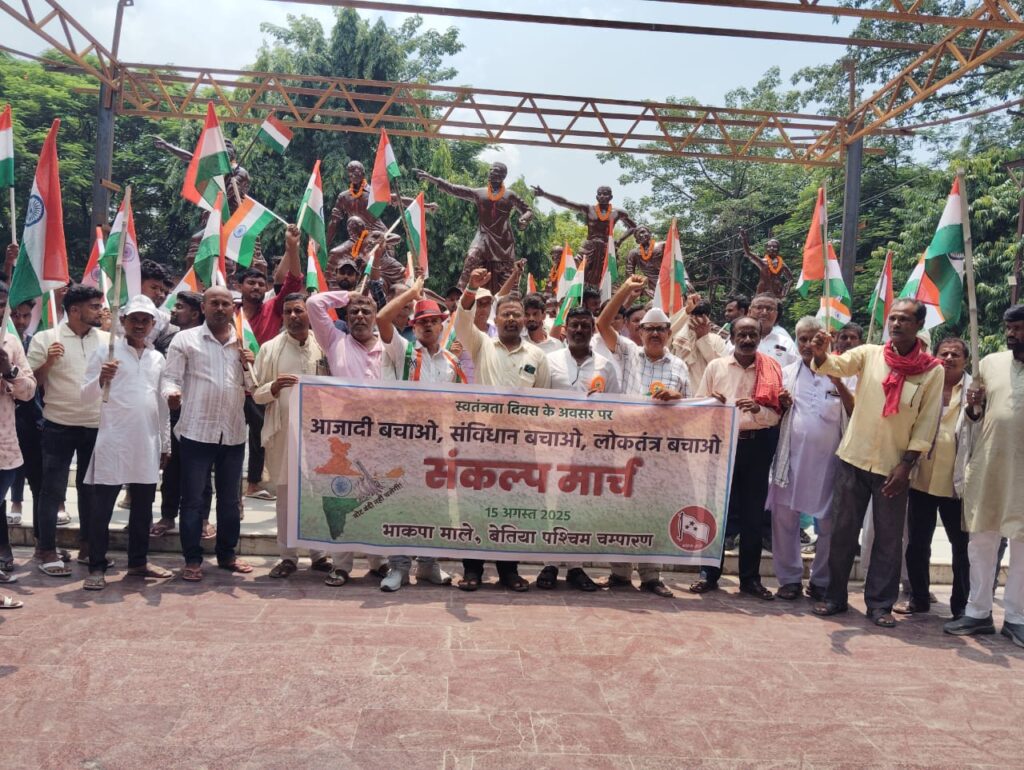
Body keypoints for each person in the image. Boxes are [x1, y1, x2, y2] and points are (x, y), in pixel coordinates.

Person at [809, 298, 943, 628]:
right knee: (842, 533)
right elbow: (835, 366)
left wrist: (906, 465)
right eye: (892, 318)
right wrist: (821, 353)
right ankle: (835, 597)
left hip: (893, 467)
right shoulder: (869, 354)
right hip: (853, 458)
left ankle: (880, 604)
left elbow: (927, 422)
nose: (896, 324)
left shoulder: (932, 370)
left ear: (919, 325)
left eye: (904, 319)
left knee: (888, 538)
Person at [454, 267, 550, 592]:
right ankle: (472, 570)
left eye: (516, 314)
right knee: (475, 505)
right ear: (496, 318)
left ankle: (509, 570)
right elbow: (461, 322)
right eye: (505, 314)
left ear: (525, 320)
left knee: (513, 506)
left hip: (520, 447)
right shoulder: (481, 345)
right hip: (481, 443)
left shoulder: (537, 356)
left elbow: (543, 402)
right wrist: (471, 288)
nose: (511, 319)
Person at [596, 274, 688, 598]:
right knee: (623, 510)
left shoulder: (679, 366)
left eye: (661, 329)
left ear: (669, 333)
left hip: (661, 453)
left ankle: (651, 575)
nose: (655, 334)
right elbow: (602, 323)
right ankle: (620, 573)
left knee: (653, 511)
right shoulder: (628, 353)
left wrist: (677, 398)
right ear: (640, 331)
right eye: (649, 328)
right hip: (626, 448)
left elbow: (692, 411)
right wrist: (624, 291)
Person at [374, 281, 466, 591]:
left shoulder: (452, 362)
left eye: (433, 321)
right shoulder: (404, 351)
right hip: (404, 443)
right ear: (414, 326)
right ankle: (399, 566)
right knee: (400, 502)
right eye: (422, 321)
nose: (428, 325)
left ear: (442, 325)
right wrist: (412, 295)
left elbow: (461, 405)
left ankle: (428, 564)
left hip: (439, 446)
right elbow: (381, 319)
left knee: (434, 506)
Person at [162, 286, 257, 582]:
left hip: (232, 433)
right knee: (192, 500)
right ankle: (192, 559)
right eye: (214, 303)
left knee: (230, 501)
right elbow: (170, 378)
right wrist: (172, 395)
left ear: (233, 309)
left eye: (225, 304)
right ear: (203, 308)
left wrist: (250, 364)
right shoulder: (185, 339)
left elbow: (253, 387)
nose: (220, 308)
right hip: (196, 430)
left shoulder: (242, 341)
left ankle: (227, 554)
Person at [80, 296, 173, 590]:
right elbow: (84, 396)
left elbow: (161, 405)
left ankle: (138, 562)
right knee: (102, 509)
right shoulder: (106, 352)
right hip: (113, 440)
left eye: (145, 320)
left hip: (146, 441)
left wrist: (165, 443)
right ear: (123, 321)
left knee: (143, 508)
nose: (139, 325)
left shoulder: (157, 358)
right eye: (134, 319)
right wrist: (101, 378)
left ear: (153, 324)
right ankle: (96, 566)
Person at [944, 305, 1024, 646]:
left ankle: (1017, 617)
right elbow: (975, 417)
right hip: (989, 465)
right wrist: (973, 405)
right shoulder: (990, 363)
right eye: (1009, 328)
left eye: (1018, 328)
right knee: (981, 542)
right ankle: (978, 612)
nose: (1011, 334)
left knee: (1022, 545)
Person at [691, 316, 783, 600]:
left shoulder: (771, 368)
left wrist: (757, 409)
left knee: (753, 515)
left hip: (757, 446)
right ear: (731, 337)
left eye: (752, 334)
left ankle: (750, 579)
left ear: (760, 337)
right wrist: (712, 404)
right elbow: (697, 407)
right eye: (741, 334)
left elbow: (776, 416)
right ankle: (708, 574)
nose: (747, 339)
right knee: (716, 511)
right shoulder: (716, 367)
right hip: (722, 446)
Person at [306, 285, 390, 587]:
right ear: (345, 316)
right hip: (343, 438)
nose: (359, 316)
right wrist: (349, 294)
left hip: (380, 436)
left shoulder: (389, 348)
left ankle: (379, 561)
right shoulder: (334, 341)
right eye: (353, 311)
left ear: (375, 315)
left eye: (366, 310)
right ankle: (341, 565)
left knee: (376, 498)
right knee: (340, 499)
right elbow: (314, 303)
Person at [27, 285, 109, 577]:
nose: (100, 311)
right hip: (57, 425)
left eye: (100, 306)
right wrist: (48, 362)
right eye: (94, 306)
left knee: (92, 491)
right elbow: (30, 385)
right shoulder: (46, 338)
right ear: (74, 310)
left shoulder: (108, 340)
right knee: (52, 490)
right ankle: (46, 549)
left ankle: (88, 548)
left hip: (97, 425)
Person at [537, 305, 619, 592]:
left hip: (589, 450)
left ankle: (575, 566)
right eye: (575, 325)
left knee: (579, 507)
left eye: (585, 325)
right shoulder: (549, 361)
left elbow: (617, 408)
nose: (580, 330)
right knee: (552, 506)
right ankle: (549, 564)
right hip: (554, 446)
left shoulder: (606, 366)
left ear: (593, 329)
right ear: (565, 329)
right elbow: (538, 402)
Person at [253, 292, 333, 579]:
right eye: (287, 312)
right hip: (284, 434)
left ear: (309, 314)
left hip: (320, 436)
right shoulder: (270, 349)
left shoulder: (325, 345)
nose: (293, 316)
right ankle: (287, 557)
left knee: (316, 495)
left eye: (298, 311)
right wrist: (273, 388)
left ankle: (319, 554)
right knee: (286, 496)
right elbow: (256, 393)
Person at [766, 317, 846, 601]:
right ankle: (789, 579)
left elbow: (853, 412)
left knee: (829, 523)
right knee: (784, 520)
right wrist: (779, 404)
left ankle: (821, 581)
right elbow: (772, 415)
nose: (808, 345)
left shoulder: (843, 374)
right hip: (789, 460)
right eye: (802, 339)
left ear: (826, 341)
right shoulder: (784, 373)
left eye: (814, 339)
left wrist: (839, 383)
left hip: (830, 464)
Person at [894, 337, 971, 619]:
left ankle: (961, 605)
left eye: (955, 354)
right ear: (935, 357)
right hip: (922, 478)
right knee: (917, 544)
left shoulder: (976, 390)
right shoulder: (926, 384)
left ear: (966, 360)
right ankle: (919, 597)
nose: (949, 358)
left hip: (956, 484)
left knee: (962, 547)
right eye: (944, 353)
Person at [238, 225, 304, 501]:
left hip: (258, 385)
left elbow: (294, 282)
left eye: (260, 284)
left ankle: (254, 484)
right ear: (239, 287)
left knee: (258, 436)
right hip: (229, 384)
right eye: (250, 283)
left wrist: (292, 248)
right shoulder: (228, 311)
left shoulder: (273, 309)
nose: (256, 287)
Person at [415, 163, 535, 294]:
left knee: (507, 280)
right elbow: (455, 189)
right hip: (483, 236)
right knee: (472, 257)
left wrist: (524, 219)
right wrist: (432, 179)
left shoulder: (510, 195)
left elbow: (528, 210)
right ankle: (459, 295)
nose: (491, 173)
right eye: (490, 170)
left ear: (502, 176)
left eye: (495, 171)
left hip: (503, 242)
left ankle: (510, 302)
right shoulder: (480, 193)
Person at [151, 291, 214, 539]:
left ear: (196, 313)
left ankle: (203, 518)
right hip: (173, 412)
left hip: (201, 413)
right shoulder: (166, 340)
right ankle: (168, 516)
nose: (173, 311)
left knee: (202, 470)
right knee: (171, 467)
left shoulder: (210, 340)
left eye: (179, 307)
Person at [0, 282, 37, 602]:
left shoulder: (10, 342)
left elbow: (29, 391)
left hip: (4, 448)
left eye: (2, 304)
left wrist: (9, 370)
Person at [531, 184, 637, 288]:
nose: (602, 196)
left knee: (606, 277)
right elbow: (564, 202)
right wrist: (544, 194)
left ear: (611, 197)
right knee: (576, 270)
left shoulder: (618, 212)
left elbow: (633, 227)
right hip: (589, 247)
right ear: (596, 197)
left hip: (606, 248)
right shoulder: (589, 209)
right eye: (600, 194)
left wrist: (619, 240)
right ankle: (568, 292)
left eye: (605, 194)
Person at [669, 295, 727, 388]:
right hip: (676, 391)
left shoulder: (716, 340)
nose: (695, 319)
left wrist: (703, 339)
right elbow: (667, 330)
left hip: (703, 393)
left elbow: (720, 367)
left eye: (700, 315)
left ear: (708, 317)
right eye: (692, 315)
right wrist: (687, 310)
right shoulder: (677, 336)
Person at [745, 293, 798, 367]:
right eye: (759, 308)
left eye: (769, 309)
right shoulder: (737, 340)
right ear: (749, 311)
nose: (764, 312)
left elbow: (796, 370)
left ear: (776, 314)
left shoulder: (786, 343)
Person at [739, 230, 793, 299]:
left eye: (774, 247)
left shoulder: (781, 264)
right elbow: (748, 253)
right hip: (762, 291)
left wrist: (785, 291)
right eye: (769, 246)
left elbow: (791, 279)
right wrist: (744, 239)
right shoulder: (762, 262)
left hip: (777, 291)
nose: (771, 248)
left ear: (778, 249)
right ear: (766, 249)